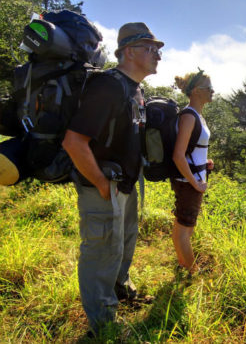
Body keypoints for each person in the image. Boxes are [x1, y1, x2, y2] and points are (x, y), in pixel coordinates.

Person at [62, 22, 163, 335]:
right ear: (129, 52)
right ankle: (104, 327)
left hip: (125, 186)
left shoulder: (135, 89)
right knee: (102, 253)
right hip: (103, 185)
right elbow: (74, 142)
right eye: (150, 48)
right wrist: (101, 185)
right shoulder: (108, 85)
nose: (157, 54)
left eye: (158, 49)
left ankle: (121, 289)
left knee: (122, 246)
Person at [172, 69, 214, 274]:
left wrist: (204, 163)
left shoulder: (197, 115)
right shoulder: (189, 116)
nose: (213, 91)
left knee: (187, 227)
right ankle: (192, 273)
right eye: (209, 88)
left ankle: (183, 266)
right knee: (183, 229)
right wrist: (195, 183)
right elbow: (178, 155)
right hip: (188, 181)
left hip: (194, 179)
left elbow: (192, 150)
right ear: (196, 91)